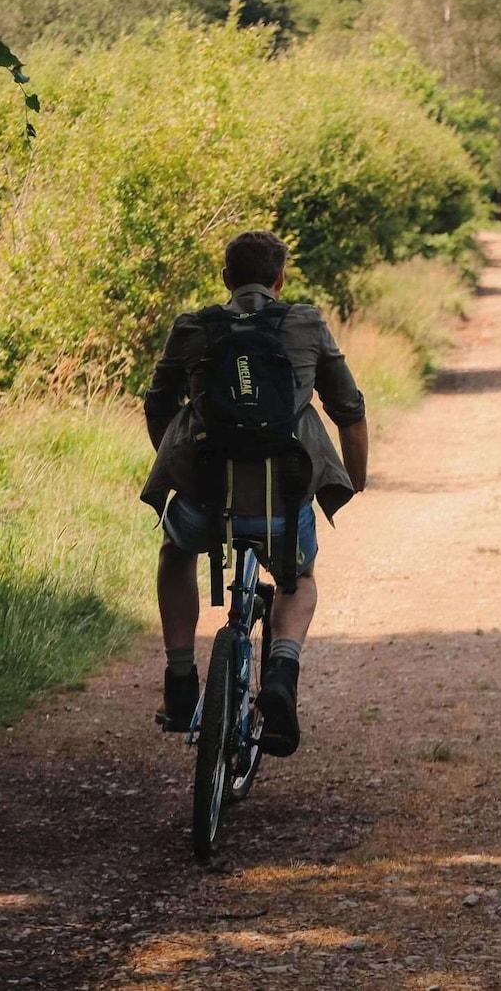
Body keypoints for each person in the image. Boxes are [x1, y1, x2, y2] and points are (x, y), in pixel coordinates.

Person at [141, 230, 369, 757]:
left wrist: (175, 466)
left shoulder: (194, 326)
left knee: (175, 553)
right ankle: (282, 676)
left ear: (226, 279)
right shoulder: (305, 324)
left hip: (207, 502)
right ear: (279, 279)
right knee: (299, 578)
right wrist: (355, 482)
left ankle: (180, 683)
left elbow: (158, 403)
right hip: (283, 507)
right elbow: (349, 409)